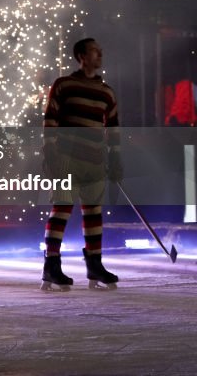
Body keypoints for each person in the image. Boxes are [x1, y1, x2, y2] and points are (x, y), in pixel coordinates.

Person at [41, 37, 121, 291]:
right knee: (62, 209)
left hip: (94, 160)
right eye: (95, 51)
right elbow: (51, 117)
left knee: (93, 213)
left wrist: (116, 158)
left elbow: (114, 128)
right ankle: (52, 265)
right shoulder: (64, 85)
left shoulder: (107, 92)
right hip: (67, 158)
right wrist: (51, 152)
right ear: (81, 56)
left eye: (100, 51)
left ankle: (94, 265)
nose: (100, 54)